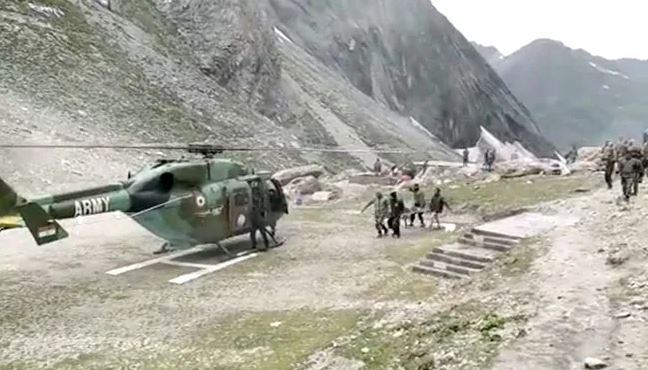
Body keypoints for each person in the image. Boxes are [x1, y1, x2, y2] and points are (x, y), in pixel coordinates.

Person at [249, 180, 270, 251]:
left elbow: (262, 207)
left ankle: (266, 243)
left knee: (262, 232)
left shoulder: (259, 199)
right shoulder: (254, 199)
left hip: (258, 218)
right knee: (253, 233)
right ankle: (254, 245)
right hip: (255, 218)